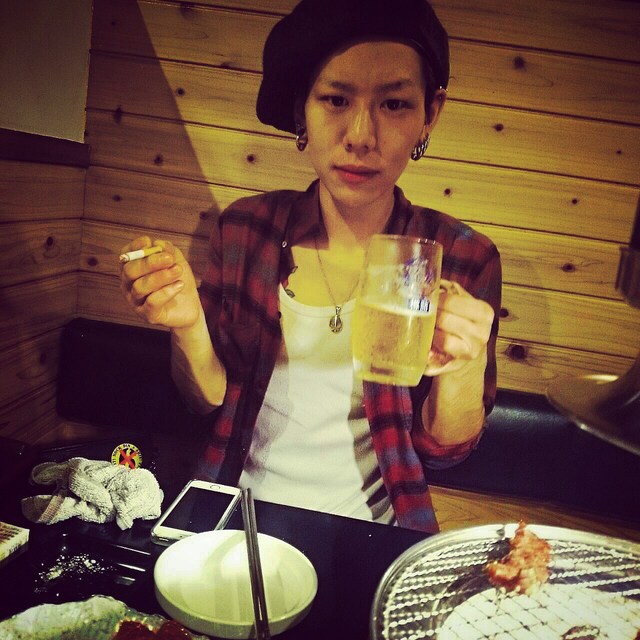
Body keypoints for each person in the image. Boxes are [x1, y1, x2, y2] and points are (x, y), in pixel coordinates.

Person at [119, 0, 501, 533]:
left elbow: (444, 452)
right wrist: (186, 325)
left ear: (428, 115)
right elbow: (204, 401)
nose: (361, 135)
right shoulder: (245, 229)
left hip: (372, 533)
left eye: (394, 104)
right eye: (336, 99)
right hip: (234, 517)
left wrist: (464, 364)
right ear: (302, 109)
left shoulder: (460, 255)